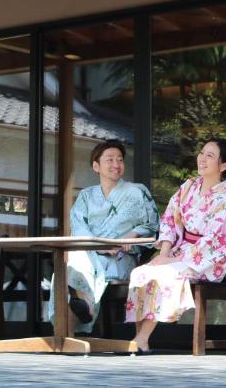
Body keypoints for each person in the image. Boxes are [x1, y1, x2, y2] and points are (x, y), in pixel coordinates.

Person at [126, 138, 226, 352]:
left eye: (210, 156)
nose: (202, 159)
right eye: (202, 153)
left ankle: (141, 338)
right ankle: (141, 338)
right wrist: (164, 254)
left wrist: (171, 261)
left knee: (165, 274)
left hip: (208, 260)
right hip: (179, 253)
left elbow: (214, 241)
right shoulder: (187, 188)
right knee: (141, 273)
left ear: (224, 165)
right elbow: (170, 219)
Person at [57, 139, 159, 333]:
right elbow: (78, 227)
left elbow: (153, 224)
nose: (116, 165)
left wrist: (132, 234)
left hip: (121, 257)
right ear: (96, 166)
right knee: (69, 267)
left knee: (71, 271)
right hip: (90, 253)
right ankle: (70, 328)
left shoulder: (137, 192)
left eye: (120, 160)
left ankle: (75, 321)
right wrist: (98, 246)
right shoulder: (86, 196)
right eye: (109, 159)